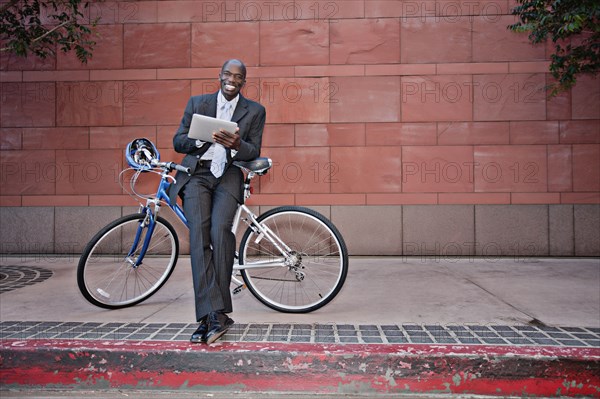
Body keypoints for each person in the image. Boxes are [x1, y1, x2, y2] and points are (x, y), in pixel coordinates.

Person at [170, 59, 266, 344]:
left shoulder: (255, 111)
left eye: (238, 77)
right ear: (219, 76)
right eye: (228, 74)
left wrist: (237, 146)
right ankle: (213, 315)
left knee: (220, 233)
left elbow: (253, 150)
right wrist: (201, 140)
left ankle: (214, 315)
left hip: (228, 175)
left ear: (243, 82)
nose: (232, 80)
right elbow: (178, 141)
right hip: (197, 175)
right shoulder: (198, 103)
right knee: (199, 236)